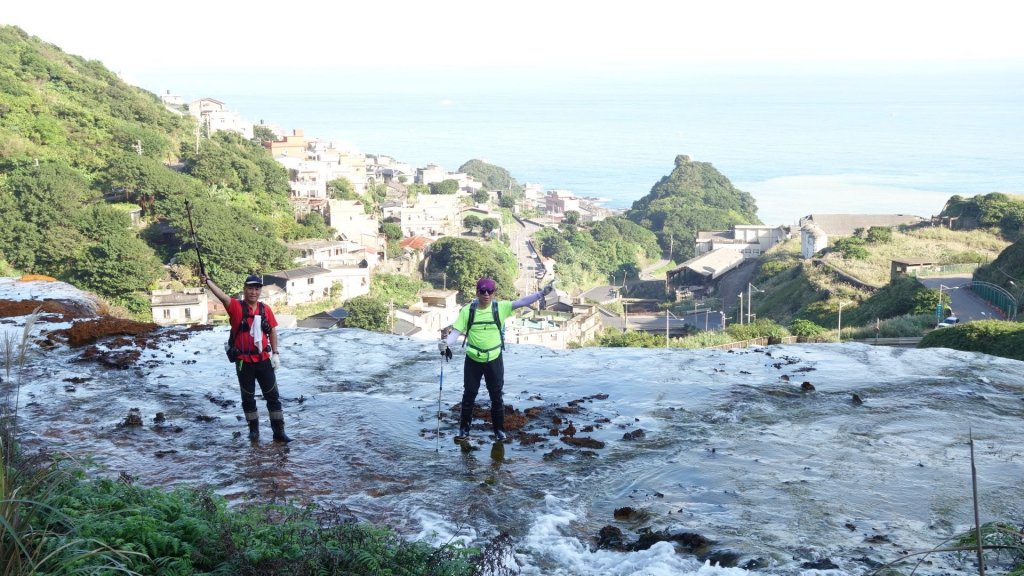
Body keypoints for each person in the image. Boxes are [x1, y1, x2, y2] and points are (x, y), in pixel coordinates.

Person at [439, 277, 554, 441]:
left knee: (496, 396)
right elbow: (455, 334)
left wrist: (542, 293)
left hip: (494, 359)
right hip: (473, 359)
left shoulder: (500, 308)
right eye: (483, 291)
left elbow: (521, 302)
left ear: (494, 293)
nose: (486, 294)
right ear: (477, 292)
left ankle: (499, 430)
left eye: (490, 291)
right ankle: (464, 429)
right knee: (469, 395)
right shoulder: (467, 311)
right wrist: (445, 344)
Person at [202, 273, 291, 443]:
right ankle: (254, 431)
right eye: (250, 288)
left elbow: (272, 330)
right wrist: (208, 282)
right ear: (245, 290)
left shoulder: (265, 309)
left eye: (257, 289)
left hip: (264, 359)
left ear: (260, 291)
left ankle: (279, 432)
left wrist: (276, 354)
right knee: (248, 398)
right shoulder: (236, 307)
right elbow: (222, 296)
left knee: (273, 397)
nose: (253, 292)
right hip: (243, 362)